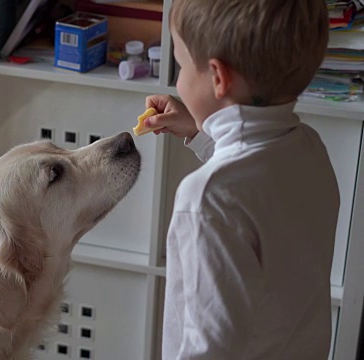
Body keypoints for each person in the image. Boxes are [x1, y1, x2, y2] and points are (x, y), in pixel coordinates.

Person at [140, 0, 340, 358]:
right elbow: (253, 174)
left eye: (182, 66)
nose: (178, 79)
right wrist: (199, 130)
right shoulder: (309, 148)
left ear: (218, 78)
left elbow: (210, 347)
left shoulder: (206, 198)